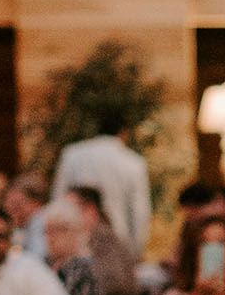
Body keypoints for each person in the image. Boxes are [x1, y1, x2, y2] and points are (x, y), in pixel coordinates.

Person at [52, 107, 151, 255]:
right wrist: (135, 251)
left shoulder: (72, 155)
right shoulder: (133, 162)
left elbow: (58, 199)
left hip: (76, 241)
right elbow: (139, 212)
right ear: (124, 133)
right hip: (117, 241)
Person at [4, 174, 49, 259]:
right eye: (7, 204)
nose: (9, 210)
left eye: (16, 205)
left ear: (36, 204)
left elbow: (37, 257)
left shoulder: (40, 222)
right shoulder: (19, 226)